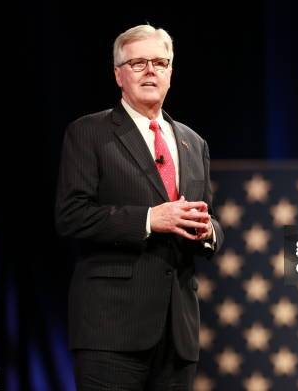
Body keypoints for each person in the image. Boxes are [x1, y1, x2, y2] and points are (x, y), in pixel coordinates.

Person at [55, 24, 223, 390]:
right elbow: (71, 216)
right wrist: (149, 219)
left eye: (160, 62)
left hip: (177, 333)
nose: (151, 71)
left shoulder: (194, 143)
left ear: (171, 73)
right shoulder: (89, 133)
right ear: (118, 74)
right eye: (138, 63)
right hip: (111, 332)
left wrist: (209, 231)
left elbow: (208, 215)